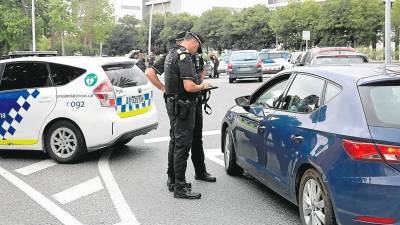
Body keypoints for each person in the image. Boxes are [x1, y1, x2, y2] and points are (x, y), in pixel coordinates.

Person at [163, 32, 210, 199]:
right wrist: (203, 86)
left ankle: (174, 181)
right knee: (183, 146)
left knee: (175, 143)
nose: (196, 50)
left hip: (173, 104)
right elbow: (189, 87)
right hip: (184, 106)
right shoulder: (185, 57)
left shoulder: (171, 54)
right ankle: (180, 188)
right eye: (196, 46)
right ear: (193, 42)